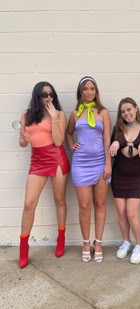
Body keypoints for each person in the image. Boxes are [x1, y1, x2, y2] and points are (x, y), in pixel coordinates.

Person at [18, 81, 70, 268]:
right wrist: (24, 139)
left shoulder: (60, 114)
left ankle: (61, 238)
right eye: (44, 94)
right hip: (37, 161)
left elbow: (58, 141)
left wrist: (55, 117)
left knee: (60, 200)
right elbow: (23, 143)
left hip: (56, 158)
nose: (48, 98)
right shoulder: (27, 115)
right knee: (29, 203)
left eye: (51, 94)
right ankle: (23, 247)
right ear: (37, 96)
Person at [66, 76, 111, 263]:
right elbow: (68, 133)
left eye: (92, 88)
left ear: (96, 91)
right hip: (80, 164)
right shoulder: (75, 113)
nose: (89, 92)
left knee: (100, 204)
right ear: (81, 92)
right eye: (86, 88)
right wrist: (71, 144)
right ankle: (86, 243)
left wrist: (108, 163)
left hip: (100, 163)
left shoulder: (103, 112)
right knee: (85, 206)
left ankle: (98, 243)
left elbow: (107, 138)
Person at [109, 97, 140, 264]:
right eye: (123, 111)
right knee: (121, 213)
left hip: (137, 177)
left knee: (131, 213)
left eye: (129, 109)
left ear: (136, 108)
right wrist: (115, 142)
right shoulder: (118, 128)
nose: (126, 113)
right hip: (119, 176)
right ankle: (126, 242)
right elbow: (113, 149)